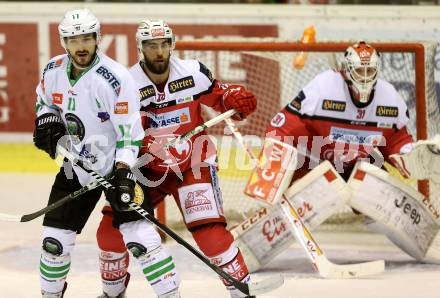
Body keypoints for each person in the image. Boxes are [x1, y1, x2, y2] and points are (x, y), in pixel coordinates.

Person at [95, 20, 258, 298]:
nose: (159, 52)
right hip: (146, 170)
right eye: (151, 45)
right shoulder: (126, 83)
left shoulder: (193, 72)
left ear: (171, 45)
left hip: (192, 164)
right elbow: (115, 129)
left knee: (211, 236)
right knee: (109, 234)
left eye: (163, 44)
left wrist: (235, 100)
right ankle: (112, 293)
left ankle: (243, 293)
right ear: (140, 48)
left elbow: (221, 97)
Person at [33, 9, 181, 298]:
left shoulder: (114, 77)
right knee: (54, 242)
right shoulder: (52, 70)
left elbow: (130, 132)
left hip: (118, 167)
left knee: (142, 239)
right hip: (75, 167)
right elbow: (44, 102)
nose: (81, 46)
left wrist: (124, 171)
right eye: (74, 40)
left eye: (87, 38)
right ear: (64, 41)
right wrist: (46, 120)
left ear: (97, 38)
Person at [266, 40, 414, 179]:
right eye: (359, 71)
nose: (364, 78)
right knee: (303, 193)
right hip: (313, 163)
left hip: (355, 166)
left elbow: (396, 140)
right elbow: (283, 129)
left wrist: (409, 156)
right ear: (348, 70)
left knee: (384, 196)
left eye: (369, 71)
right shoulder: (323, 88)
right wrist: (272, 168)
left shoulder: (390, 97)